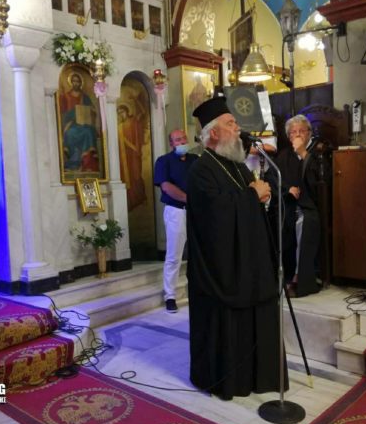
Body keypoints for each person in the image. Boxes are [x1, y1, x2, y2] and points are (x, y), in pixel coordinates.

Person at [186, 97, 286, 400]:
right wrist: (251, 197)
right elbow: (215, 217)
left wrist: (264, 197)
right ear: (214, 133)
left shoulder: (238, 166)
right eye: (231, 123)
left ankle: (257, 377)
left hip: (249, 263)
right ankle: (230, 380)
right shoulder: (201, 170)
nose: (238, 129)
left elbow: (248, 204)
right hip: (222, 269)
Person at [265, 114, 324, 298]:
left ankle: (301, 278)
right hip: (288, 205)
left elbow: (319, 181)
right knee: (274, 222)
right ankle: (279, 276)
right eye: (293, 132)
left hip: (309, 207)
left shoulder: (317, 152)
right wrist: (287, 188)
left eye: (301, 131)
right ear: (289, 136)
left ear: (309, 133)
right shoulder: (284, 155)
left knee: (303, 223)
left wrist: (303, 153)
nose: (297, 135)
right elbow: (272, 176)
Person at [154, 129, 198, 313]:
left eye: (184, 139)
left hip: (197, 212)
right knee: (174, 255)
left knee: (199, 254)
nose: (182, 142)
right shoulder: (164, 161)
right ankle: (170, 296)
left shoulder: (195, 160)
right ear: (171, 144)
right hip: (176, 211)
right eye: (178, 140)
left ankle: (198, 290)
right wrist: (190, 199)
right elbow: (166, 186)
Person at [60, 72, 100, 172]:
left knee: (89, 131)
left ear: (80, 83)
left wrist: (91, 111)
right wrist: (74, 113)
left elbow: (92, 111)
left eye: (78, 81)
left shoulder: (84, 97)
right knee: (70, 133)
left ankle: (88, 164)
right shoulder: (65, 97)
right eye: (74, 81)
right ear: (71, 82)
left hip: (84, 124)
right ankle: (73, 163)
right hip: (71, 124)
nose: (76, 83)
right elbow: (62, 113)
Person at [117, 101, 147, 210]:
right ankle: (130, 202)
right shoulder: (119, 127)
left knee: (136, 175)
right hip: (124, 157)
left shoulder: (134, 122)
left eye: (122, 112)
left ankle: (140, 198)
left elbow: (142, 114)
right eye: (119, 113)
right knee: (126, 177)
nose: (121, 115)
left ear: (127, 111)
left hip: (134, 155)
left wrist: (136, 100)